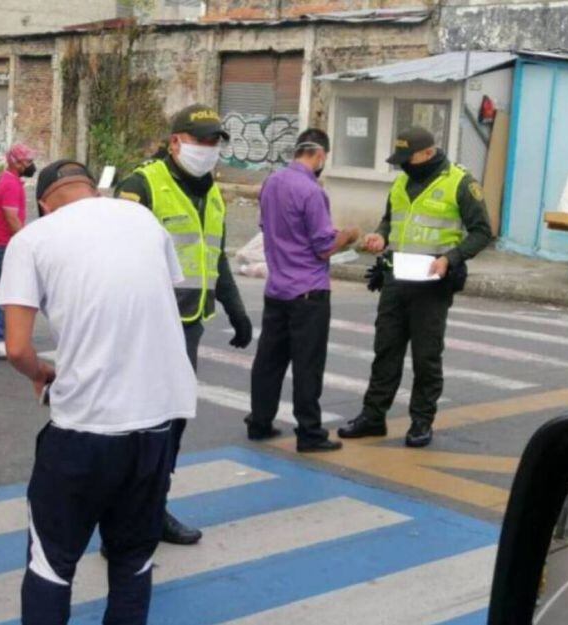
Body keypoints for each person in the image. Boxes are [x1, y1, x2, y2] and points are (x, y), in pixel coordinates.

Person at [0, 160, 197, 625]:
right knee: (133, 560)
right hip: (155, 426)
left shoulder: (32, 239)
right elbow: (156, 297)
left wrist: (42, 373)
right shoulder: (144, 221)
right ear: (91, 189)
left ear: (45, 204)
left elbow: (17, 348)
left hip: (84, 432)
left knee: (52, 565)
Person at [115, 103, 252, 546]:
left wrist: (236, 310)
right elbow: (113, 257)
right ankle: (122, 516)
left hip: (188, 327)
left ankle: (154, 508)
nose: (208, 149)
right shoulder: (142, 185)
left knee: (173, 422)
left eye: (214, 142)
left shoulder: (211, 193)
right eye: (200, 140)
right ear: (175, 142)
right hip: (145, 328)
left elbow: (216, 258)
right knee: (136, 424)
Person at [338, 126, 492, 448]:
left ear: (426, 153)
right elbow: (389, 221)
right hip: (396, 279)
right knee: (386, 351)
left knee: (426, 357)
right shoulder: (401, 183)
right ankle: (373, 417)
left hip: (432, 283)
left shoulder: (460, 183)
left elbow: (481, 232)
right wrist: (380, 236)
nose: (403, 165)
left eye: (408, 159)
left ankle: (421, 421)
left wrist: (452, 258)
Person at [245, 129, 360, 452]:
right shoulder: (312, 191)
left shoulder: (271, 183)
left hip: (277, 288)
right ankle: (309, 432)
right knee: (308, 366)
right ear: (320, 155)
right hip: (308, 292)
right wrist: (348, 235)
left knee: (269, 361)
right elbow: (324, 247)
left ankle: (260, 422)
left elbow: (269, 228)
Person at [0, 144, 37, 358]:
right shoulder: (11, 184)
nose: (31, 165)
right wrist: (26, 242)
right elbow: (11, 217)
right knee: (12, 293)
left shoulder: (7, 180)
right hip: (3, 245)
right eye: (28, 161)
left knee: (5, 291)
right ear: (16, 162)